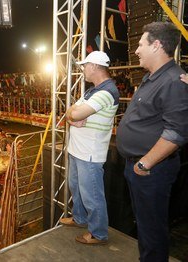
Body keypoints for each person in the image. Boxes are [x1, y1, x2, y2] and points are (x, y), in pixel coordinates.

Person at [116, 22, 188, 261]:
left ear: (156, 45)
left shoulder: (173, 81)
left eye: (140, 44)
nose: (136, 50)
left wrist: (145, 163)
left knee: (152, 230)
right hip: (139, 167)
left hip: (151, 170)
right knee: (145, 227)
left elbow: (176, 133)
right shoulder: (152, 77)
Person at [59, 51, 119, 245]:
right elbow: (70, 112)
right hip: (79, 150)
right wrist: (72, 115)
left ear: (94, 66)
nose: (83, 69)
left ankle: (98, 233)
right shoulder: (92, 90)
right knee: (76, 188)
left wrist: (73, 115)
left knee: (92, 196)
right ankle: (80, 218)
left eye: (85, 65)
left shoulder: (106, 91)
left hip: (90, 153)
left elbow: (75, 115)